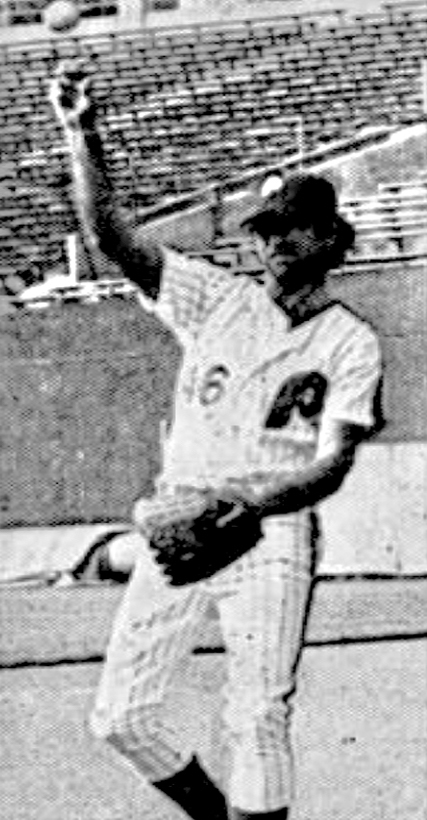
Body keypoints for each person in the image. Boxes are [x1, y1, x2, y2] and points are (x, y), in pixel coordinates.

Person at [49, 61, 383, 820]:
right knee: (122, 719)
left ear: (327, 235)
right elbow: (108, 234)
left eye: (288, 227)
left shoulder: (349, 342)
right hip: (181, 526)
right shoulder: (212, 297)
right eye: (262, 229)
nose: (272, 241)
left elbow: (330, 464)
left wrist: (247, 501)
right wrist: (83, 134)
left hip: (270, 536)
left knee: (258, 716)